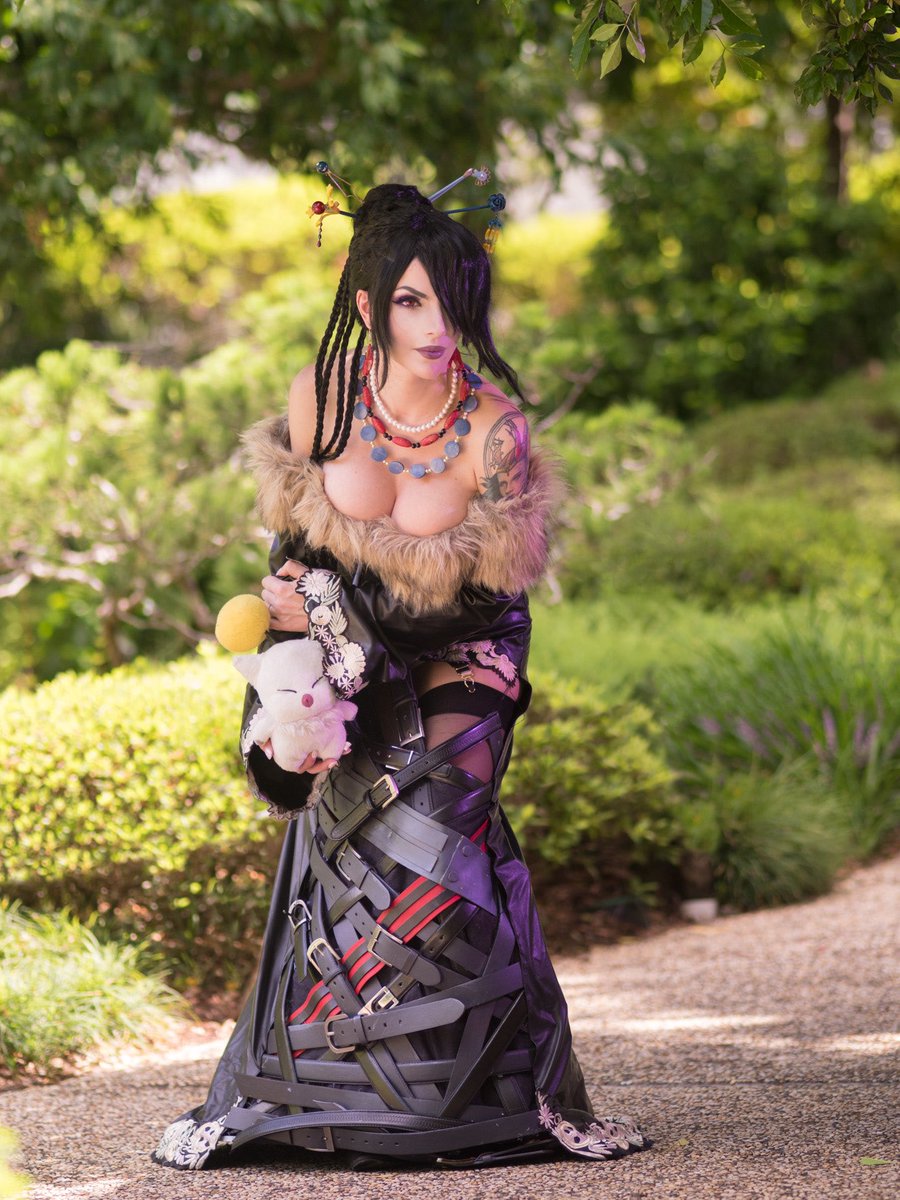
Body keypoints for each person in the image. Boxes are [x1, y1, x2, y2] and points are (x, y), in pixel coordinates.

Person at [152, 178, 648, 1172]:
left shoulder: (494, 429)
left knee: (438, 818)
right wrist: (292, 667)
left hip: (468, 647)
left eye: (454, 300)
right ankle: (331, 1082)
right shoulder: (321, 396)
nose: (437, 326)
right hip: (350, 643)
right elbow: (298, 557)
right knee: (340, 821)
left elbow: (478, 598)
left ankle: (467, 1093)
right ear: (369, 305)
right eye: (412, 301)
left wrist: (340, 619)